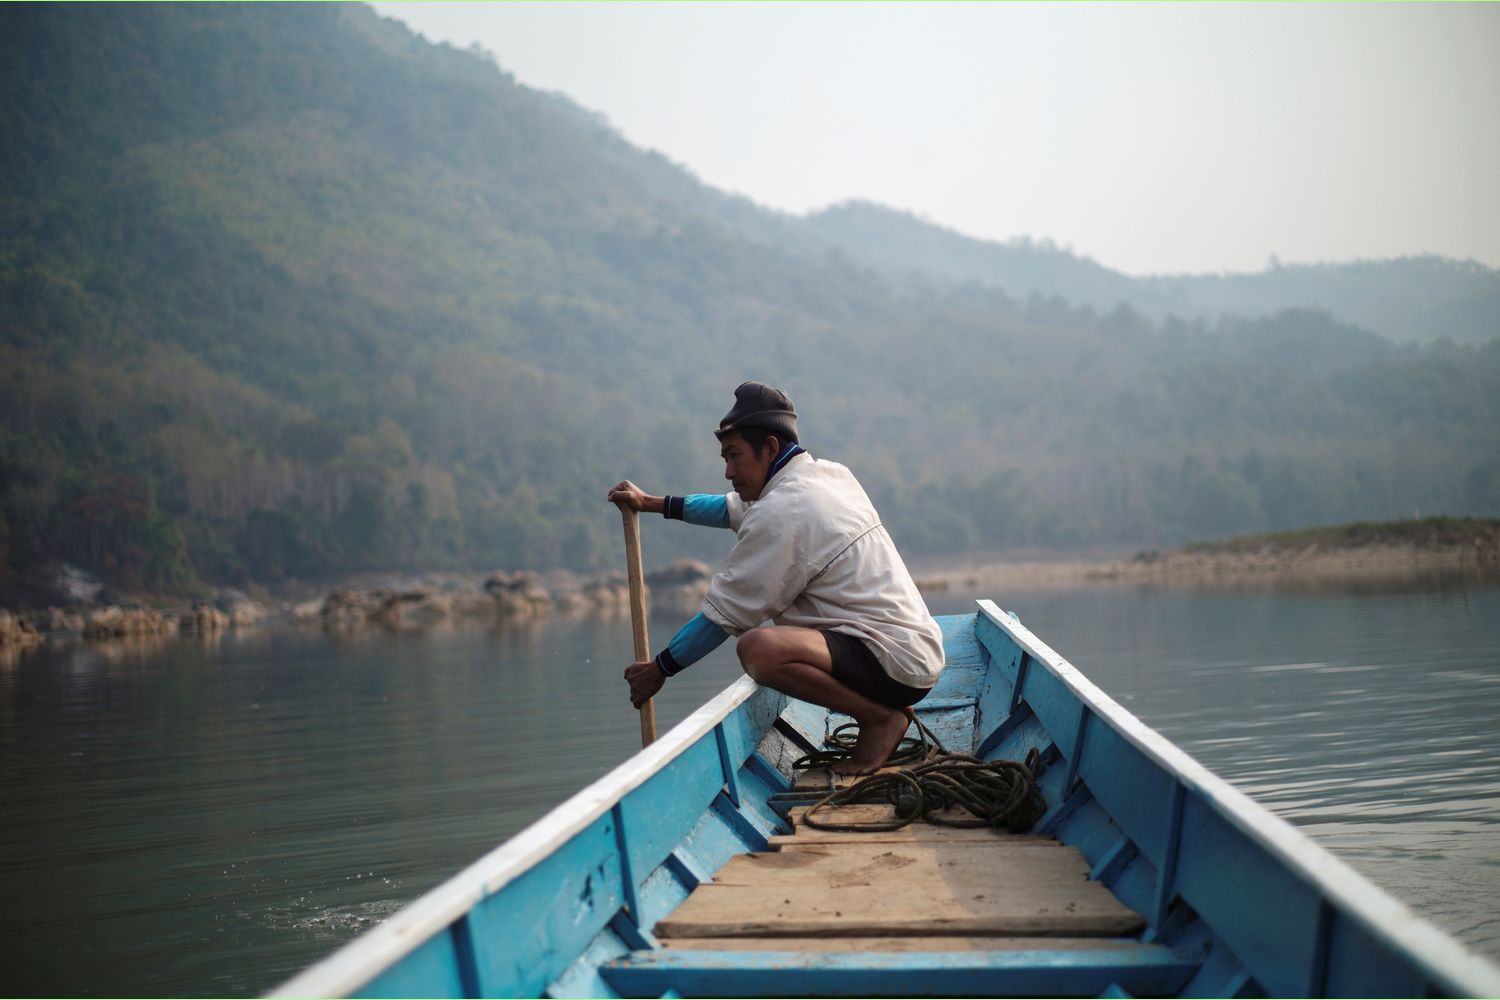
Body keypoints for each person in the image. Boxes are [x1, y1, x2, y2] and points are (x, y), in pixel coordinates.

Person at [606, 381, 945, 775]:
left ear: (769, 447)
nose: (728, 471)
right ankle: (882, 713)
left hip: (891, 660)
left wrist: (659, 669)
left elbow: (721, 618)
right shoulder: (829, 476)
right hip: (915, 653)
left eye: (734, 457)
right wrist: (650, 504)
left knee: (758, 650)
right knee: (761, 645)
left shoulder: (784, 510)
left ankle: (880, 719)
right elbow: (727, 509)